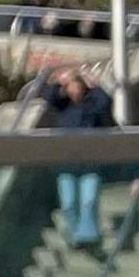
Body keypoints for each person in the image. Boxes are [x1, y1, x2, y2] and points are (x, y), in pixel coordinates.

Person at [41, 65, 113, 247]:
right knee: (69, 204)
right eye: (69, 87)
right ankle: (75, 235)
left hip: (90, 163)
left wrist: (94, 84)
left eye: (75, 86)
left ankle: (88, 237)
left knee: (88, 202)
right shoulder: (64, 107)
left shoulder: (92, 106)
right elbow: (49, 98)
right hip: (67, 164)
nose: (73, 90)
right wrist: (59, 81)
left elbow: (105, 102)